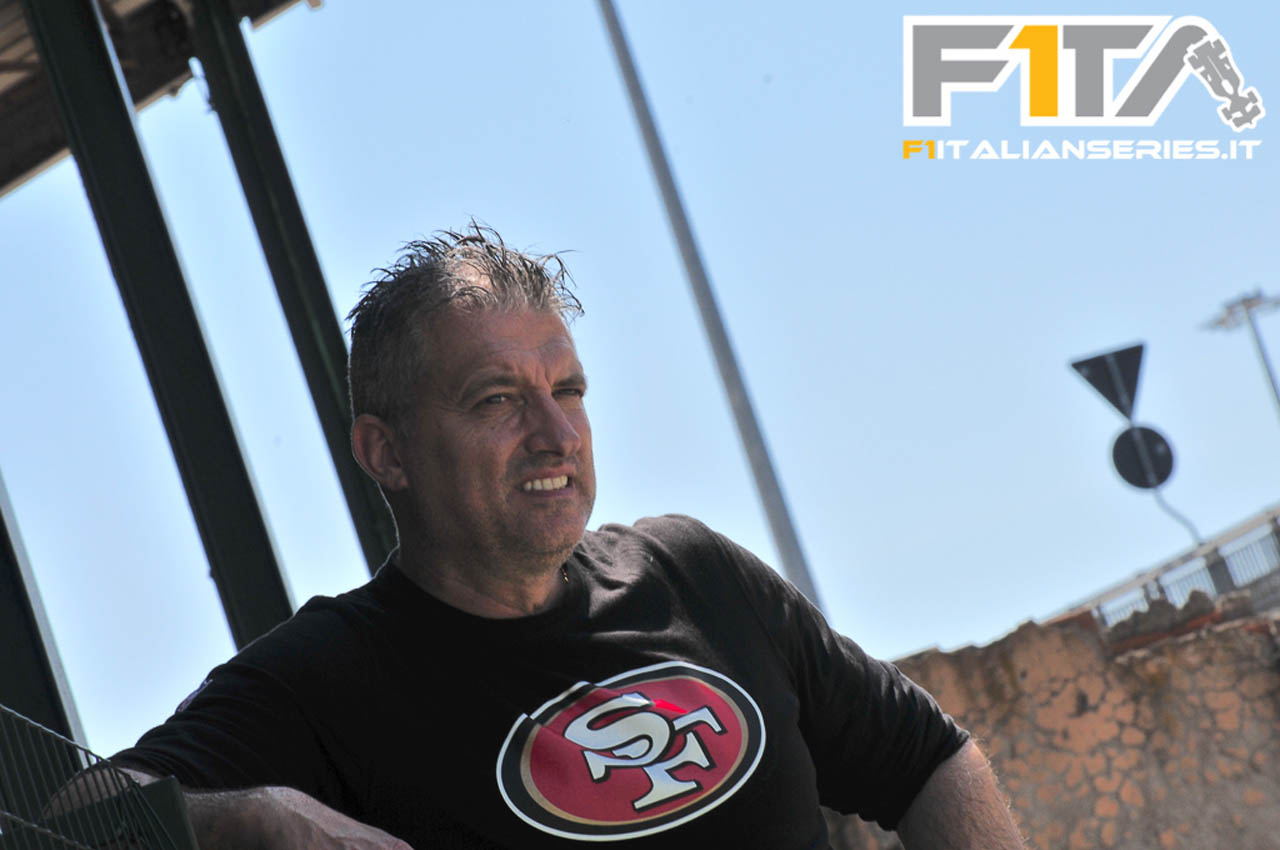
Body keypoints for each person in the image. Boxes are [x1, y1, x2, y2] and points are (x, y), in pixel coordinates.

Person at [108, 225, 1025, 849]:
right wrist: (249, 815)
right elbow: (73, 810)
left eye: (569, 391)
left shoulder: (694, 573)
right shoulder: (320, 680)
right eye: (497, 400)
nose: (556, 435)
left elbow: (929, 759)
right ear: (387, 453)